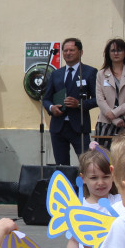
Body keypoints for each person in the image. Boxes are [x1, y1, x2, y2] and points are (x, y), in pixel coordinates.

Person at [61, 147, 119, 248]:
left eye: (105, 176)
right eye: (94, 178)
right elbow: (74, 240)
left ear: (113, 176)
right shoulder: (79, 208)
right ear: (83, 178)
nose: (101, 182)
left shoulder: (119, 202)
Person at [42, 37, 98, 165]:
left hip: (79, 126)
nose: (68, 53)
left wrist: (78, 104)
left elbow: (97, 99)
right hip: (58, 127)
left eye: (72, 50)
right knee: (62, 166)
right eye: (65, 50)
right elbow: (46, 99)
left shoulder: (90, 72)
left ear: (80, 52)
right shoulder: (56, 73)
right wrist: (52, 108)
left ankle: (84, 185)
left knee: (87, 163)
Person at [94, 38, 125, 145]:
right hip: (106, 121)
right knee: (103, 156)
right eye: (113, 50)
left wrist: (115, 113)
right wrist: (114, 119)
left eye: (119, 50)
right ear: (108, 54)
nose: (116, 53)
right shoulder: (101, 74)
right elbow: (100, 99)